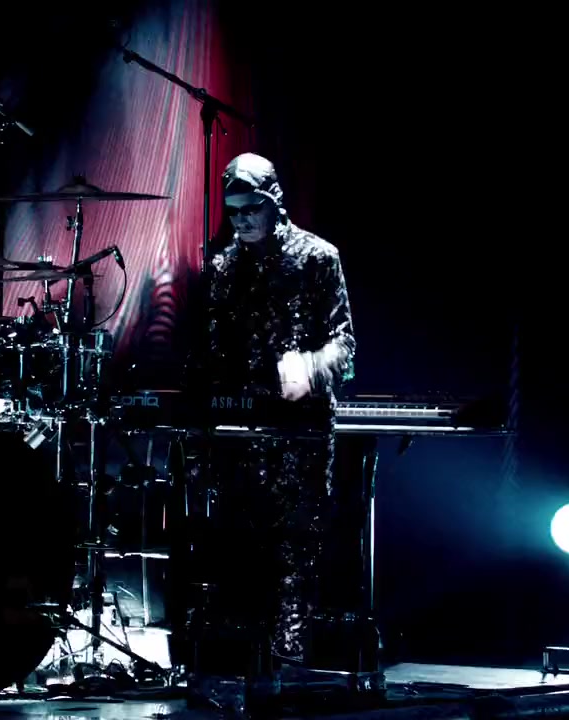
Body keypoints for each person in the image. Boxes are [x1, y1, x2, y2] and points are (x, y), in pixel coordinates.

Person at [181, 152, 355, 701]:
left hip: (300, 433)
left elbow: (346, 348)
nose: (242, 221)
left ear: (274, 202)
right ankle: (240, 670)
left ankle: (290, 674)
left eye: (251, 209)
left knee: (295, 552)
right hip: (238, 433)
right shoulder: (222, 267)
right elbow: (208, 352)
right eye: (233, 213)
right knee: (237, 552)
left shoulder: (318, 258)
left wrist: (310, 367)